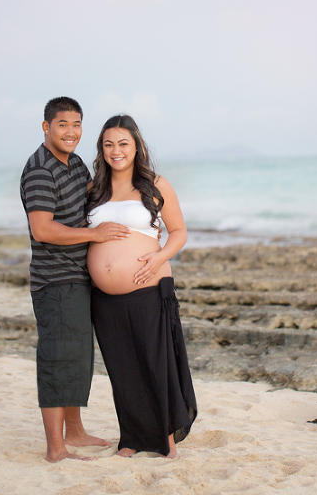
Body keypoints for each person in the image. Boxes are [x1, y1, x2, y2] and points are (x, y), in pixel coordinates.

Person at [19, 97, 131, 462]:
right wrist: (95, 236)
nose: (71, 132)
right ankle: (56, 448)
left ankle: (77, 432)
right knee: (57, 358)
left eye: (77, 124)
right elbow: (43, 229)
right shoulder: (40, 169)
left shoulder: (75, 163)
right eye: (63, 124)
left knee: (78, 357)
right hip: (55, 280)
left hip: (78, 277)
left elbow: (92, 201)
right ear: (46, 127)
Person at [85, 114, 197, 458]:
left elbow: (178, 231)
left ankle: (165, 440)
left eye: (123, 143)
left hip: (149, 286)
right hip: (103, 297)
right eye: (108, 144)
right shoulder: (94, 190)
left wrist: (160, 256)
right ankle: (131, 439)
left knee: (154, 362)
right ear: (101, 149)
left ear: (136, 146)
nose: (115, 151)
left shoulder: (156, 184)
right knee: (121, 367)